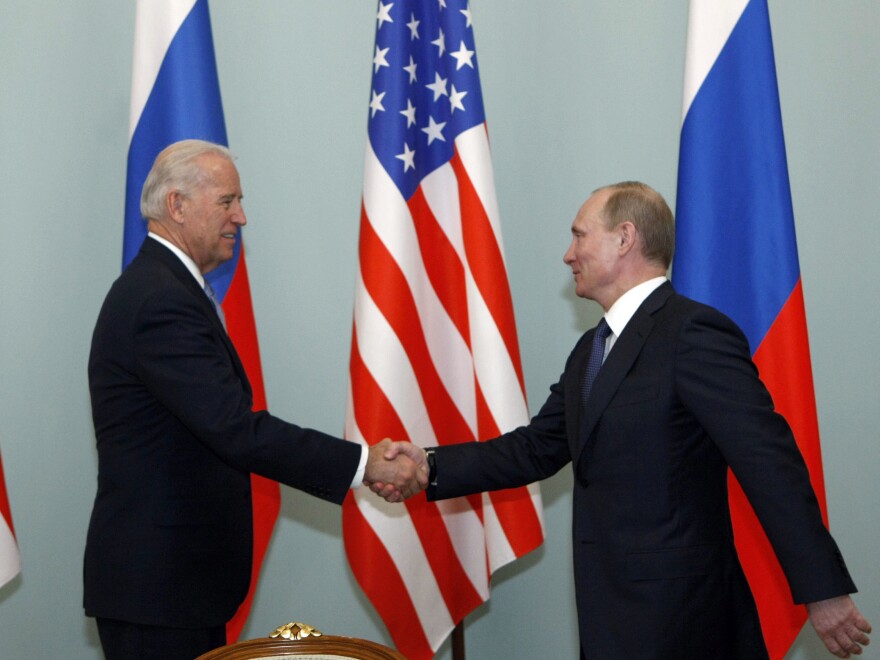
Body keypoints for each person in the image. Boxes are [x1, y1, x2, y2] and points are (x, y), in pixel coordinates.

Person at [379, 181, 871, 658]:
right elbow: (534, 449)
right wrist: (428, 465)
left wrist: (821, 588)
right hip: (607, 617)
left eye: (578, 235)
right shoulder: (591, 351)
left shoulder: (693, 332)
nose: (568, 255)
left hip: (683, 623)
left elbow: (769, 462)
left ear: (625, 237)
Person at [84, 139, 426, 660]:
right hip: (158, 589)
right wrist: (363, 463)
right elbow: (236, 430)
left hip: (172, 585)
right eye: (227, 201)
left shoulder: (167, 287)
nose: (241, 217)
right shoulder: (159, 300)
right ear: (177, 205)